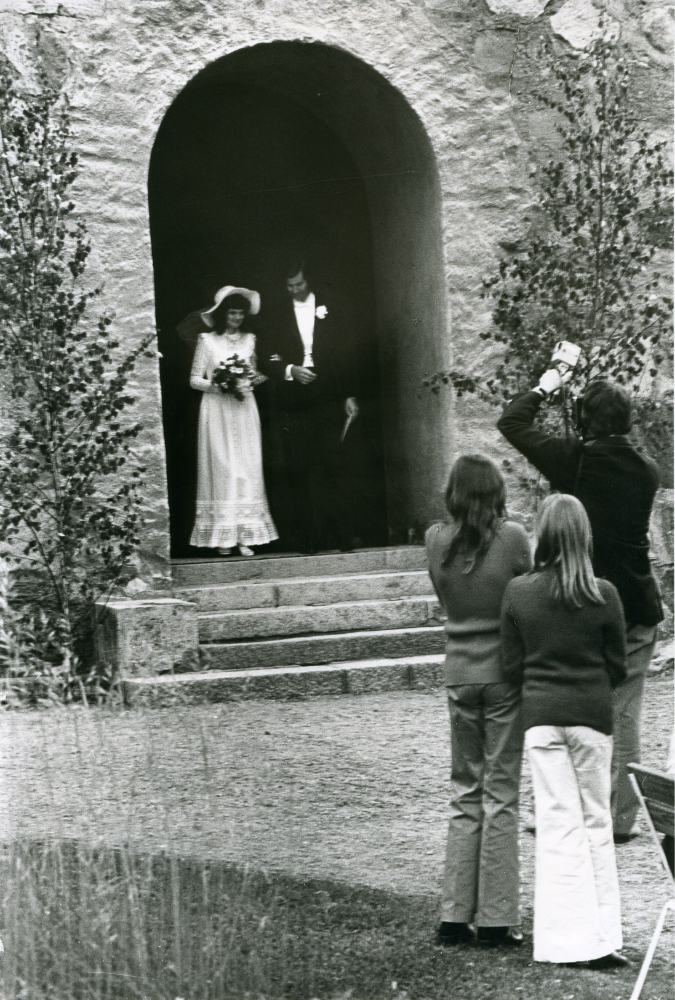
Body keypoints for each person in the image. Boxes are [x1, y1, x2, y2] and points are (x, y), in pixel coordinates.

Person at [497, 374, 663, 841]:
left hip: (578, 600)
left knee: (565, 703)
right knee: (625, 713)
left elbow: (512, 420)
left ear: (583, 420)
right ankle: (620, 817)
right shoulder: (646, 470)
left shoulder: (574, 462)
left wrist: (549, 382)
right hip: (634, 601)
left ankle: (561, 808)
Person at [501, 494, 628, 968]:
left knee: (556, 827)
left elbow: (511, 665)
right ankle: (602, 937)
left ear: (543, 534)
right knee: (596, 822)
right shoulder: (604, 594)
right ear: (584, 535)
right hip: (591, 715)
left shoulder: (518, 593)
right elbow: (617, 664)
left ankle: (560, 941)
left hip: (540, 716)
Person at [425, 454, 532, 948]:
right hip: (504, 671)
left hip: (459, 669)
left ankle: (453, 913)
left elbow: (446, 601)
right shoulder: (511, 537)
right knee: (502, 791)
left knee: (464, 789)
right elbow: (528, 596)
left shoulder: (435, 538)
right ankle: (494, 916)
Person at [257, 259, 360, 552]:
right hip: (295, 398)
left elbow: (346, 352)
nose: (294, 290)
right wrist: (290, 370)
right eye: (289, 286)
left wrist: (349, 395)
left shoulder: (331, 306)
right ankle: (308, 539)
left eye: (299, 284)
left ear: (309, 281)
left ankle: (343, 535)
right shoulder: (277, 314)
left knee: (334, 465)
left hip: (328, 392)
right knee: (300, 468)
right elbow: (265, 356)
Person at [189, 286, 278, 556]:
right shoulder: (206, 340)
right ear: (222, 314)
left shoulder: (250, 339)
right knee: (223, 468)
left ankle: (244, 536)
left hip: (243, 408)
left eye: (240, 313)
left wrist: (251, 379)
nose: (236, 318)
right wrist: (220, 385)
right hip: (217, 410)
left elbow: (254, 374)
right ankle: (223, 536)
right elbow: (194, 379)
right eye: (232, 313)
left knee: (246, 468)